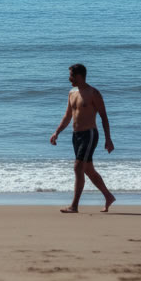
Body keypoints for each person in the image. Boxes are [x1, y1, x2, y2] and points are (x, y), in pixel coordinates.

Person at [50, 63, 116, 213]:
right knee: (88, 169)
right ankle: (108, 196)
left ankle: (74, 206)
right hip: (76, 135)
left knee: (78, 167)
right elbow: (67, 116)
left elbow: (104, 117)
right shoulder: (72, 93)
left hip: (90, 134)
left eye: (71, 75)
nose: (69, 79)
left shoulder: (93, 93)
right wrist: (57, 132)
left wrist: (108, 139)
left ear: (79, 76)